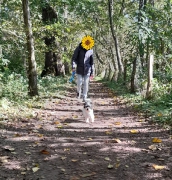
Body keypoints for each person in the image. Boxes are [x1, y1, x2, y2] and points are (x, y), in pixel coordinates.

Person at [71, 35, 94, 101]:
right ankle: (78, 93)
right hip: (79, 69)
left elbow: (92, 62)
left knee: (86, 83)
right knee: (79, 83)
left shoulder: (91, 50)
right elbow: (74, 58)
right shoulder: (78, 48)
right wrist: (73, 66)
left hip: (87, 69)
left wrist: (92, 71)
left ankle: (84, 96)